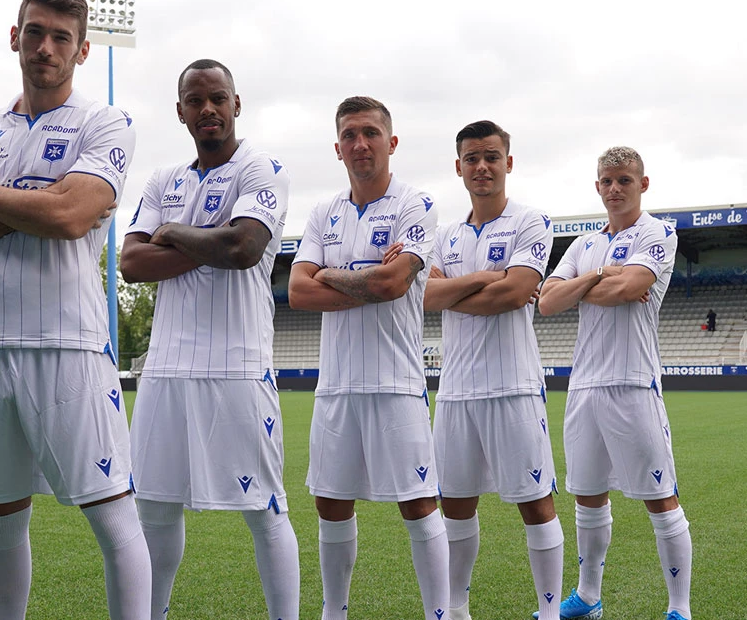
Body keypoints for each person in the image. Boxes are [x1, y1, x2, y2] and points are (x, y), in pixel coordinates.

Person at [0, 0, 150, 620]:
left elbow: (73, 215)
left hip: (70, 345)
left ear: (82, 51)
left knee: (112, 517)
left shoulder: (105, 122)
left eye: (61, 37)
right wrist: (41, 200)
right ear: (15, 37)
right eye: (36, 32)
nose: (46, 47)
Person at [120, 59, 300, 620]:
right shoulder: (162, 181)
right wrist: (204, 241)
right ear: (180, 112)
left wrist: (172, 234)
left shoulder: (262, 168)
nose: (208, 109)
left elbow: (243, 250)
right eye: (195, 101)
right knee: (153, 509)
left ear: (236, 103)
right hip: (165, 371)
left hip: (237, 367)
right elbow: (130, 262)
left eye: (217, 98)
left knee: (265, 508)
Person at [288, 96, 449, 620]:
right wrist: (361, 281)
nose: (361, 144)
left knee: (419, 504)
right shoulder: (322, 212)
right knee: (330, 504)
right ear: (338, 148)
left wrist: (330, 273)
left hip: (396, 384)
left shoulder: (415, 205)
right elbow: (297, 291)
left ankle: (439, 614)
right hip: (335, 387)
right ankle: (334, 612)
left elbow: (393, 282)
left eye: (371, 133)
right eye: (350, 135)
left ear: (391, 142)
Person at [538, 146, 691, 620]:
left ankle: (679, 608)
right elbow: (545, 300)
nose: (615, 188)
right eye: (607, 181)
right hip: (583, 387)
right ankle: (587, 598)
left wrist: (584, 285)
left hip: (633, 384)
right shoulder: (584, 243)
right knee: (587, 495)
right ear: (597, 186)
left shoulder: (658, 232)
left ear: (643, 184)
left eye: (625, 180)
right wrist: (601, 275)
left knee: (660, 498)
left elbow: (629, 289)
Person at [423, 120, 563, 620]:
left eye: (491, 157)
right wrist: (489, 280)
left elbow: (514, 294)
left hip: (514, 387)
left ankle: (548, 612)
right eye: (471, 159)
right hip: (456, 391)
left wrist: (460, 288)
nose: (481, 167)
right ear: (458, 166)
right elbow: (422, 296)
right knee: (455, 505)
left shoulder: (532, 221)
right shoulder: (444, 235)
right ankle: (456, 609)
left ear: (509, 161)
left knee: (536, 502)